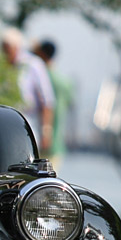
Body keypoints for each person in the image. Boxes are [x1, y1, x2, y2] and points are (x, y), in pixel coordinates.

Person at [1, 28, 55, 153]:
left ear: (16, 47)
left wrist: (46, 133)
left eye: (7, 48)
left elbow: (47, 101)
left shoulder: (33, 65)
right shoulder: (0, 66)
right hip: (4, 128)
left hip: (27, 126)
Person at [32, 39, 74, 168]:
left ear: (41, 54)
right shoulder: (65, 82)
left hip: (38, 139)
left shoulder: (38, 76)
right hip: (56, 142)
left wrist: (45, 133)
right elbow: (70, 103)